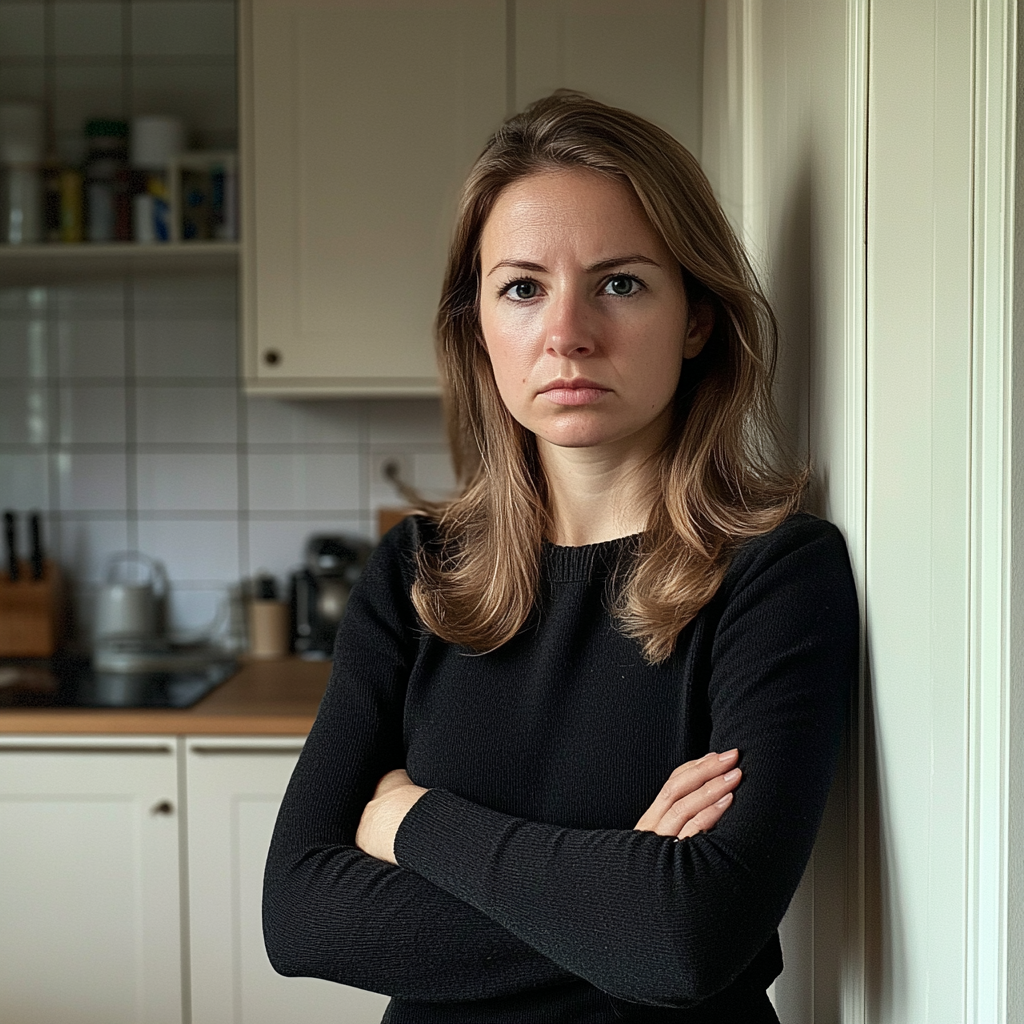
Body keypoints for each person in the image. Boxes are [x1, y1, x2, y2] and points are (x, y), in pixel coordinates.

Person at [263, 91, 859, 1024]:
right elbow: (299, 916)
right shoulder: (415, 575)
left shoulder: (777, 576)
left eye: (620, 282)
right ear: (479, 325)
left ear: (696, 318)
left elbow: (688, 937)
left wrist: (410, 822)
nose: (567, 333)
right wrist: (622, 886)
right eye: (522, 287)